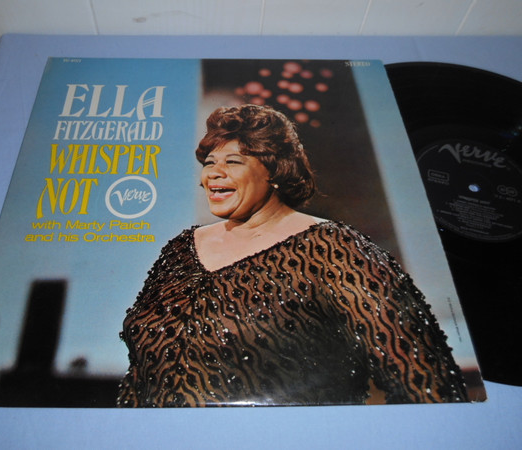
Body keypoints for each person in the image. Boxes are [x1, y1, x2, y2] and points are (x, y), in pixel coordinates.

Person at [117, 104, 468, 407]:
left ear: (274, 171)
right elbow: (141, 376)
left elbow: (425, 380)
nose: (214, 174)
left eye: (233, 161)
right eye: (209, 163)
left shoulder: (334, 248)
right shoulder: (181, 248)